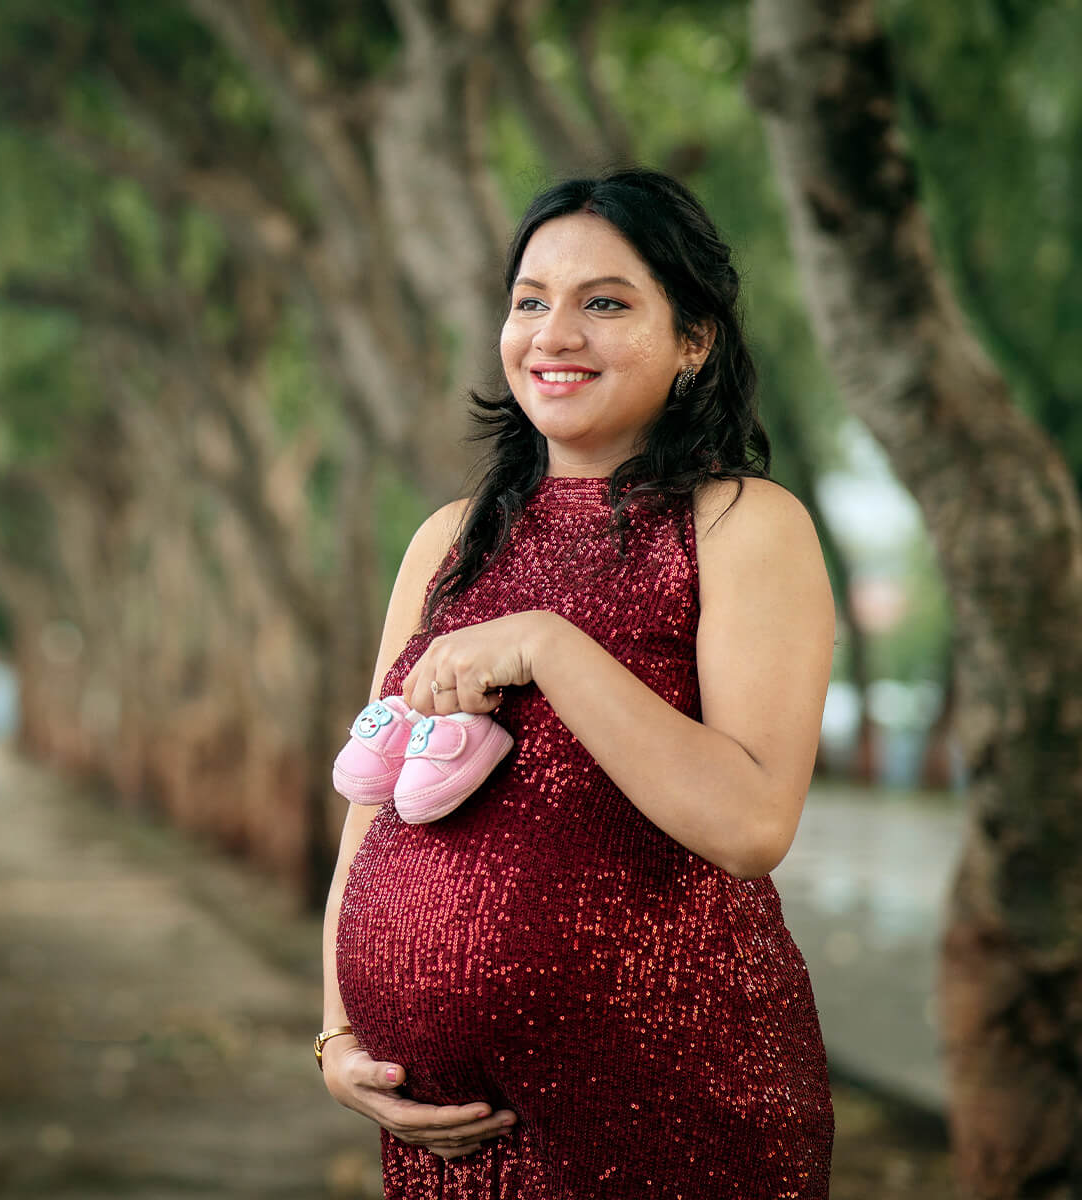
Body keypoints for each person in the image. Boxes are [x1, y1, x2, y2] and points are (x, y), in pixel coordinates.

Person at [317, 168, 836, 1198]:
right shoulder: (447, 540)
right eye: (529, 302)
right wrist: (334, 1038)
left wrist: (550, 648)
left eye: (604, 302)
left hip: (675, 1113)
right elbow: (366, 820)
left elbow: (749, 822)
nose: (553, 333)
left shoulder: (739, 525)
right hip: (448, 1140)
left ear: (694, 339)